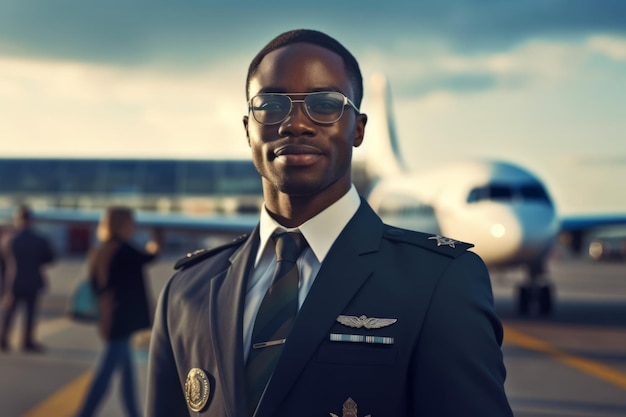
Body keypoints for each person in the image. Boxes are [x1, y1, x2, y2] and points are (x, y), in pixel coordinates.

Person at [146, 29, 513, 417]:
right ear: (247, 129)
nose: (296, 124)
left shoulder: (440, 283)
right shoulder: (186, 292)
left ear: (358, 129)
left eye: (324, 104)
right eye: (271, 104)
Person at [74, 206, 160, 417]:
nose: (134, 227)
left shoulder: (98, 251)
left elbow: (95, 284)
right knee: (104, 375)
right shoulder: (124, 250)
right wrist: (157, 240)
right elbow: (149, 257)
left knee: (125, 374)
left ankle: (133, 413)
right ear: (121, 225)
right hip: (122, 321)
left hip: (108, 318)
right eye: (131, 223)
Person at [0, 204, 55, 353]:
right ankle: (27, 341)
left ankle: (3, 340)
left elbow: (3, 263)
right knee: (30, 313)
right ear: (31, 220)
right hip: (33, 280)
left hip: (13, 281)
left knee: (9, 312)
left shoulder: (8, 239)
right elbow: (50, 258)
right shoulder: (39, 238)